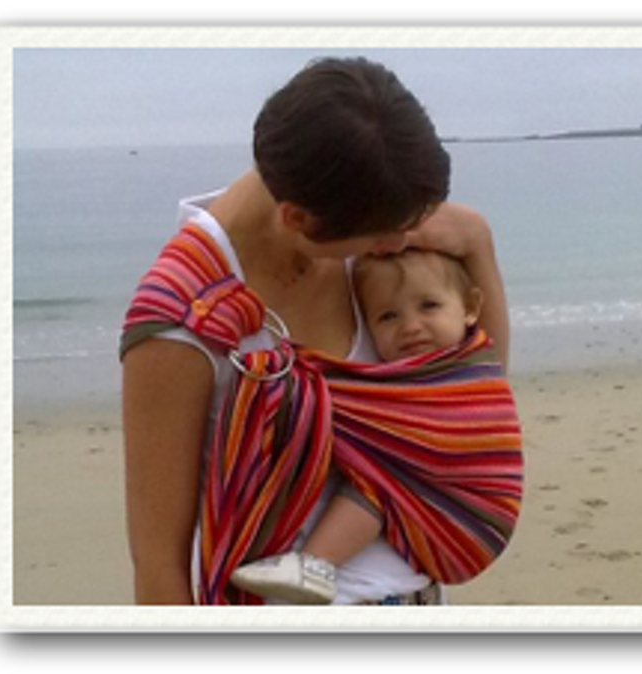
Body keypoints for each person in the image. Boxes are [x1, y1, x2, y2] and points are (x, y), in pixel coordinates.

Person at [121, 56, 511, 606]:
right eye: (387, 235)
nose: (402, 243)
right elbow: (158, 568)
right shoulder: (182, 321)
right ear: (296, 220)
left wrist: (476, 244)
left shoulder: (372, 223)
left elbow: (465, 400)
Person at [229, 250, 485, 603]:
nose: (410, 326)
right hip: (410, 569)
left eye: (429, 306)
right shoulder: (395, 376)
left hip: (456, 517)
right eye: (388, 316)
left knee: (377, 480)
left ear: (471, 308)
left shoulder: (467, 373)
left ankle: (316, 563)